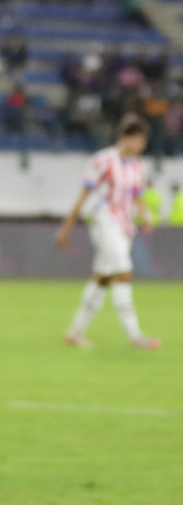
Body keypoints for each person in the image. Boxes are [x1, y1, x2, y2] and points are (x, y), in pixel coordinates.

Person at [57, 113, 160, 350]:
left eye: (144, 140)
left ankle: (75, 331)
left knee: (102, 279)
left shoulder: (136, 165)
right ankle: (135, 335)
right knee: (123, 273)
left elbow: (137, 195)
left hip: (124, 225)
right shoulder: (103, 161)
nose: (142, 145)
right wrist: (67, 227)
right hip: (104, 220)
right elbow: (84, 194)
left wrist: (144, 216)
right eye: (138, 139)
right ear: (125, 138)